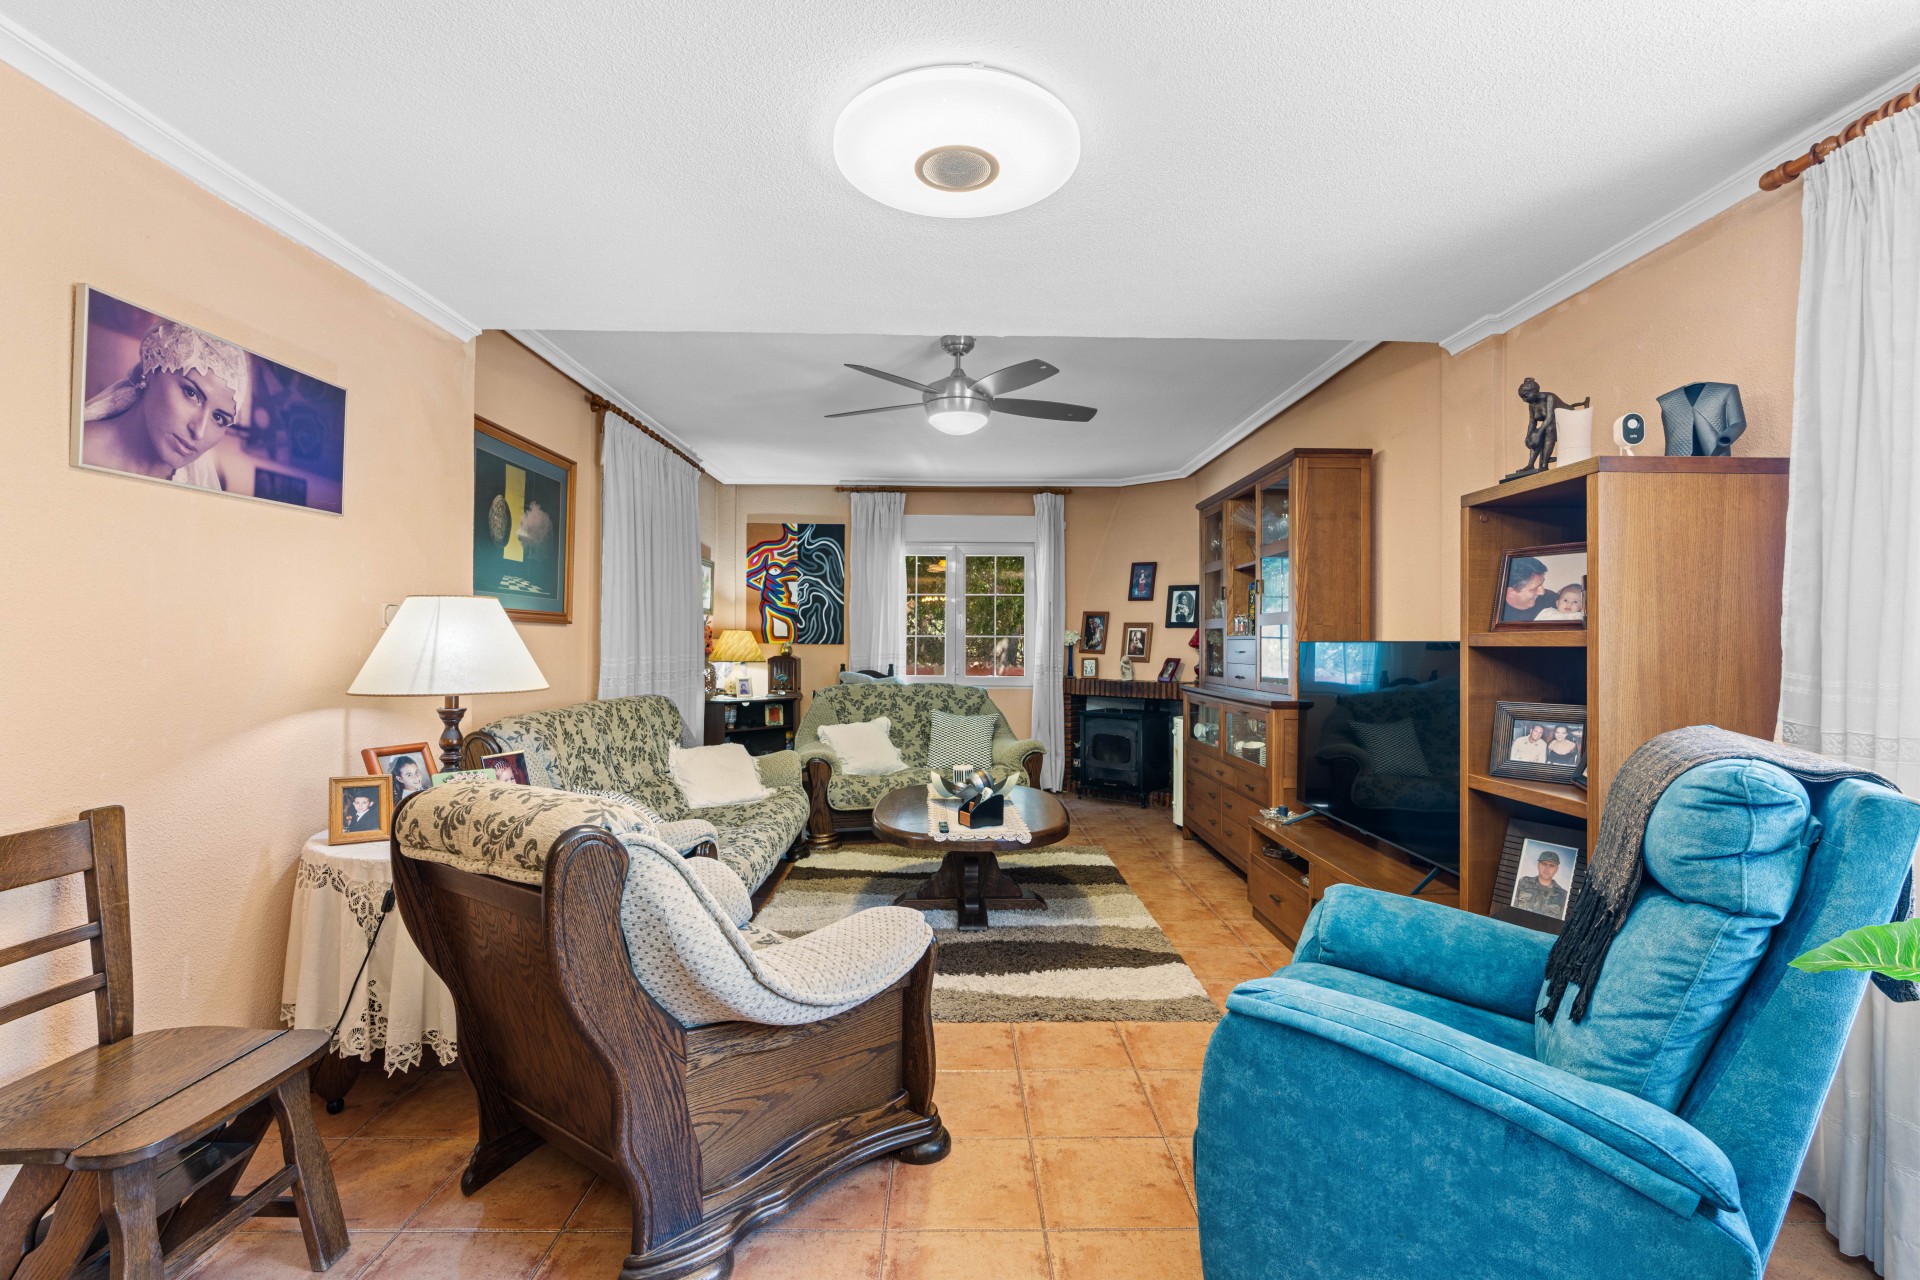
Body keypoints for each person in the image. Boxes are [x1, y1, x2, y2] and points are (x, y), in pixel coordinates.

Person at [81, 316, 251, 492]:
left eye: (219, 417)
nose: (199, 432)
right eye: (191, 393)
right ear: (151, 370)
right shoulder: (78, 450)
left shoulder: (202, 483)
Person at [1512, 847, 1569, 918]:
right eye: (1544, 864)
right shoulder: (1523, 883)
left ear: (1556, 869)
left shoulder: (1563, 895)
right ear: (1538, 865)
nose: (1547, 869)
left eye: (1552, 866)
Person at [1500, 557, 1552, 621]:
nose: (1542, 592)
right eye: (1534, 589)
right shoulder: (1499, 616)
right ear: (1510, 593)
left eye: (1541, 584)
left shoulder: (1549, 598)